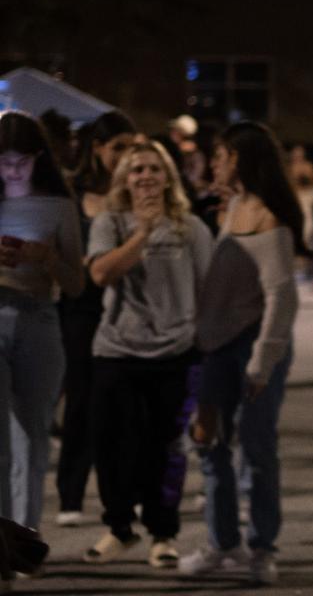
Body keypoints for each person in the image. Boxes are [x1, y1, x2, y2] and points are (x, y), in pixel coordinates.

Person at [179, 121, 305, 585]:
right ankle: (221, 542)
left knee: (256, 448)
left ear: (242, 160)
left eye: (221, 155)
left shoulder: (269, 218)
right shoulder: (228, 208)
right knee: (207, 442)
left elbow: (281, 297)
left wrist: (261, 362)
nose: (214, 163)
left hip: (253, 349)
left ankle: (262, 548)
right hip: (216, 348)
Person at [83, 141, 213, 568]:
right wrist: (142, 231)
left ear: (169, 178)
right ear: (124, 180)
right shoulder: (110, 221)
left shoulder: (190, 227)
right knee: (111, 445)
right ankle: (120, 529)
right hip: (117, 350)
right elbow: (101, 273)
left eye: (155, 169)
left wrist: (205, 347)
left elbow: (207, 290)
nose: (146, 177)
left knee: (165, 448)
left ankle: (163, 533)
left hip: (174, 353)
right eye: (137, 170)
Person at [0, 112, 84, 534]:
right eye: (4, 161)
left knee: (31, 439)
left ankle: (23, 539)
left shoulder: (59, 206)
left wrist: (45, 258)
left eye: (22, 161)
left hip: (39, 317)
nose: (13, 170)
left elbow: (76, 284)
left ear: (38, 158)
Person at [56, 110, 137, 528]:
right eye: (117, 147)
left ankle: (129, 493)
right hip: (82, 311)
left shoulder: (138, 191)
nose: (125, 156)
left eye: (131, 146)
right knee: (82, 403)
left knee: (127, 405)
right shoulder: (72, 194)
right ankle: (70, 495)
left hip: (131, 309)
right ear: (98, 148)